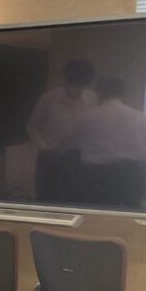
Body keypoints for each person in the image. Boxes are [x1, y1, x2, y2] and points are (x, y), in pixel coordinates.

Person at [68, 75, 146, 207]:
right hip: (130, 175)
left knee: (97, 213)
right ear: (123, 93)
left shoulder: (87, 117)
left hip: (96, 176)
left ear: (98, 92)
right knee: (129, 215)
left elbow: (72, 144)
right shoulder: (139, 117)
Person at [26, 59, 96, 202]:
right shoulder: (48, 99)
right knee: (47, 200)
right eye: (74, 84)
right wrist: (44, 149)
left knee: (77, 201)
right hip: (51, 157)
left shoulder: (92, 99)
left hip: (79, 159)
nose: (77, 89)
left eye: (82, 85)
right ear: (66, 80)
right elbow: (32, 127)